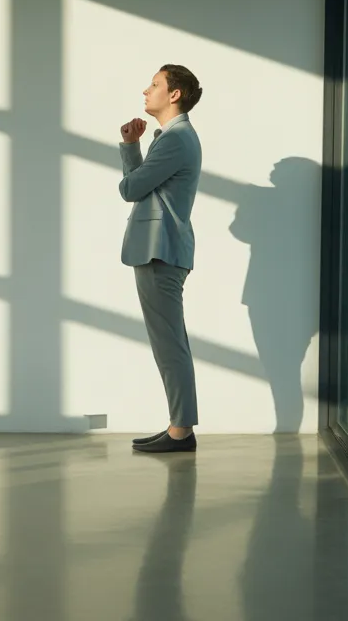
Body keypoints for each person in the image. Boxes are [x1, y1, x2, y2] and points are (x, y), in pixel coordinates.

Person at [117, 64, 204, 453]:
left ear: (174, 94)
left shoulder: (176, 139)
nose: (146, 90)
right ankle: (178, 426)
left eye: (154, 85)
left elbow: (131, 188)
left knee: (169, 346)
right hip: (162, 249)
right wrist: (134, 145)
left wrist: (129, 149)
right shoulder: (173, 137)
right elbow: (144, 188)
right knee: (169, 343)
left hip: (160, 250)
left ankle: (181, 431)